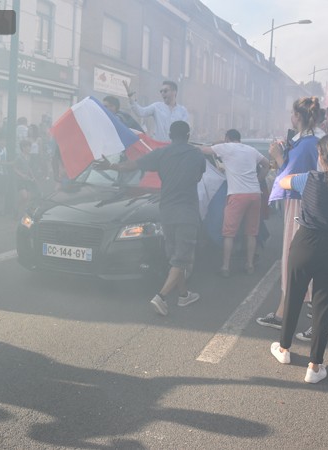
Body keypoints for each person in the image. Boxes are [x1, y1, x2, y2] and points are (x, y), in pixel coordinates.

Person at [269, 134, 328, 383]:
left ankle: (284, 349)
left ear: (323, 157)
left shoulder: (310, 179)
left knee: (294, 296)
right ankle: (315, 365)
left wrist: (281, 160)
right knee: (323, 306)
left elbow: (283, 181)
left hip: (305, 243)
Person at [99, 121, 205, 315]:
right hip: (187, 211)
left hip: (166, 211)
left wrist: (111, 165)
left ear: (171, 136)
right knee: (182, 258)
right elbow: (198, 177)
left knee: (175, 257)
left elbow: (133, 165)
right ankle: (161, 297)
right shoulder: (196, 155)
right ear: (188, 135)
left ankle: (183, 296)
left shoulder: (161, 153)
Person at [257, 97, 322, 329]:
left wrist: (277, 156)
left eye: (293, 114)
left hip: (300, 204)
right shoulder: (308, 142)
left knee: (296, 258)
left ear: (299, 116)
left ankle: (300, 317)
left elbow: (289, 180)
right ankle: (284, 312)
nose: (291, 118)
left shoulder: (307, 144)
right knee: (297, 259)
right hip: (306, 205)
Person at [200, 129, 270, 277]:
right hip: (255, 194)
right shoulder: (251, 150)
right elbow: (267, 164)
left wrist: (218, 143)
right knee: (251, 232)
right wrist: (259, 179)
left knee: (229, 233)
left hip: (237, 195)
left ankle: (225, 267)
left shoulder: (226, 148)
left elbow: (204, 150)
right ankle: (249, 265)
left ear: (227, 138)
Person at [123, 80, 188, 142]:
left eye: (165, 91)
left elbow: (186, 129)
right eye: (161, 91)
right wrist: (130, 96)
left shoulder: (182, 111)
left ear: (174, 92)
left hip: (174, 148)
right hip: (159, 146)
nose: (162, 93)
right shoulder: (156, 106)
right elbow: (141, 112)